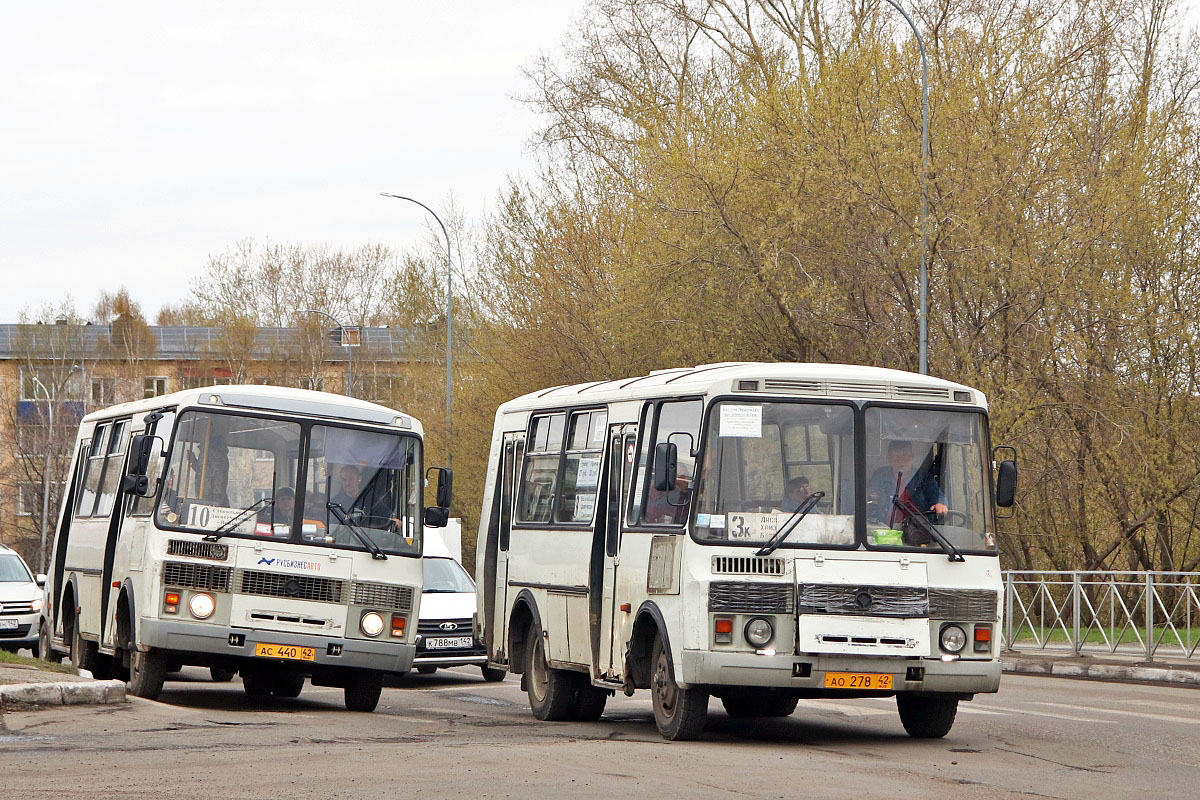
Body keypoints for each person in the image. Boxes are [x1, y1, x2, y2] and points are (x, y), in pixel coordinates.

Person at [868, 440, 948, 526]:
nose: (901, 460)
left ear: (912, 457)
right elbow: (869, 498)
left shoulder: (924, 478)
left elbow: (937, 495)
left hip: (916, 532)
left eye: (905, 455)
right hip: (884, 532)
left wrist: (940, 504)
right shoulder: (879, 477)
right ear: (889, 458)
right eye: (896, 456)